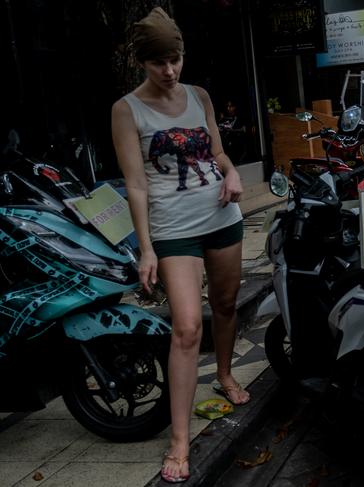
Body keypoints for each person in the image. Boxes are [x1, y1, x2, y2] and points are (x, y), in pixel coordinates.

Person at [111, 7, 248, 483]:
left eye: (176, 59)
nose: (169, 71)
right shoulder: (127, 110)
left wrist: (231, 170)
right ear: (142, 63)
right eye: (159, 63)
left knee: (227, 303)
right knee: (188, 328)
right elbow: (136, 185)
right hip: (173, 230)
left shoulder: (199, 96)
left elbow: (216, 151)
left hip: (221, 216)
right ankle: (179, 440)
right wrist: (146, 248)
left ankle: (227, 374)